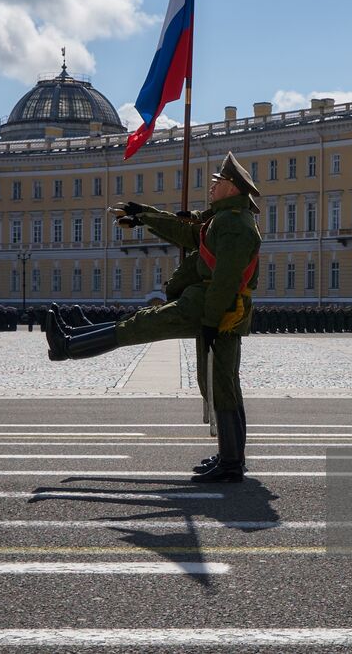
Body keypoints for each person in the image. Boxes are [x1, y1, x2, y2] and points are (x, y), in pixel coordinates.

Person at [47, 151, 261, 484]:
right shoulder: (224, 219)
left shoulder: (234, 224)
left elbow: (227, 279)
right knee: (220, 384)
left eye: (218, 181)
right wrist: (145, 216)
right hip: (210, 307)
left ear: (232, 188)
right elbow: (188, 235)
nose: (212, 185)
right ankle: (231, 458)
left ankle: (68, 346)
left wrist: (210, 318)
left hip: (216, 311)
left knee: (147, 329)